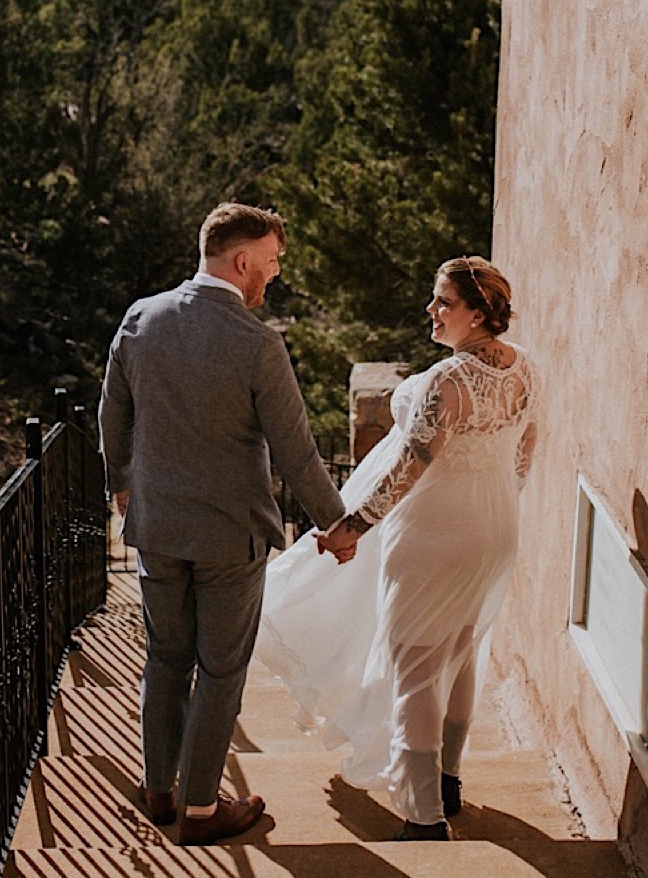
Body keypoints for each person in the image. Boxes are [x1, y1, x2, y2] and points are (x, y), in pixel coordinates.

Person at [259, 256, 539, 840]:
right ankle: (449, 779)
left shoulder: (448, 380)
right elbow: (523, 455)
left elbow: (409, 468)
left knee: (414, 667)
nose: (430, 311)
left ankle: (423, 816)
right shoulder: (526, 372)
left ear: (480, 312)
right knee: (462, 653)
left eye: (443, 302)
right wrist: (492, 500)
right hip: (495, 531)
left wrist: (352, 528)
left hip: (433, 536)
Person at [100, 202, 348, 846]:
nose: (271, 278)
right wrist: (337, 524)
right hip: (229, 537)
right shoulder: (257, 345)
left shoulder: (139, 320)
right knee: (219, 669)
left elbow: (112, 416)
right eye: (268, 265)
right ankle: (203, 810)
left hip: (156, 527)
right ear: (241, 263)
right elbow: (296, 451)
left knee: (164, 656)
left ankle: (158, 792)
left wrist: (122, 485)